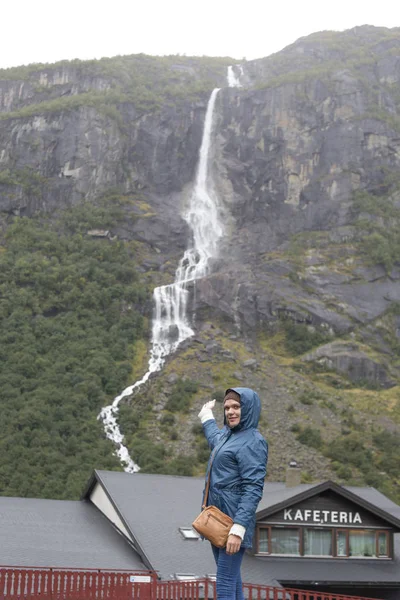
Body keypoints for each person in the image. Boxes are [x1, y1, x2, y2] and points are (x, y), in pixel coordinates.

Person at [198, 387, 268, 600]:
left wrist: (238, 529)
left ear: (248, 409)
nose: (230, 411)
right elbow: (215, 440)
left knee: (225, 583)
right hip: (216, 520)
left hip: (232, 522)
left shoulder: (253, 441)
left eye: (236, 406)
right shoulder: (228, 435)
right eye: (227, 407)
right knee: (232, 580)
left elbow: (253, 488)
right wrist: (207, 416)